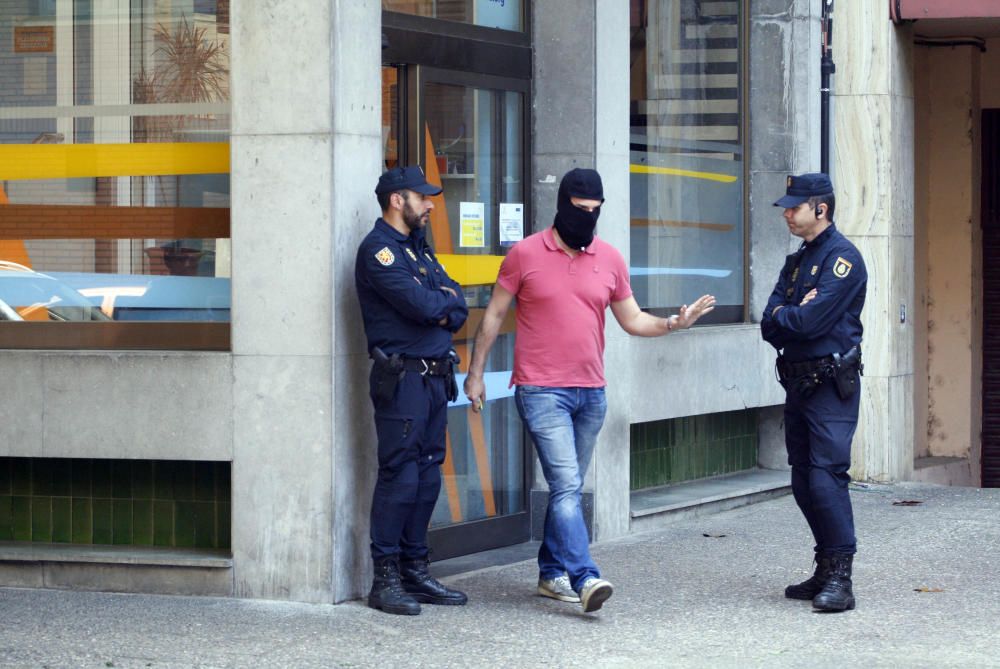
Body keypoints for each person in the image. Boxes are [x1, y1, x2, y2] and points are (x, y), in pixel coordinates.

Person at [463, 168, 715, 613]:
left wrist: (675, 323)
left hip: (591, 393)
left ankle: (549, 573)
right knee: (565, 485)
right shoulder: (524, 254)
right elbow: (493, 317)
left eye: (596, 211)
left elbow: (633, 320)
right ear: (562, 206)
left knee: (570, 488)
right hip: (541, 390)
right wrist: (476, 374)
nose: (588, 219)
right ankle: (584, 577)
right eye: (581, 211)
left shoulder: (610, 259)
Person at [355, 165, 470, 616]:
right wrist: (440, 306)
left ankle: (414, 569)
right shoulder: (379, 251)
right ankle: (385, 579)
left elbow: (457, 302)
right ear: (397, 200)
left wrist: (443, 306)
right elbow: (424, 305)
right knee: (400, 474)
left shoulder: (419, 250)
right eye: (422, 197)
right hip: (401, 380)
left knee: (426, 473)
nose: (430, 204)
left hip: (434, 378)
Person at [761, 172, 867, 613]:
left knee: (826, 478)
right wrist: (790, 312)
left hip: (830, 384)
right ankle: (824, 567)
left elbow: (808, 322)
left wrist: (791, 314)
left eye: (794, 206)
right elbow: (768, 323)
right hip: (799, 382)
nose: (787, 213)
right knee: (803, 479)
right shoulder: (798, 261)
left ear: (820, 209)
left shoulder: (843, 259)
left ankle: (841, 579)